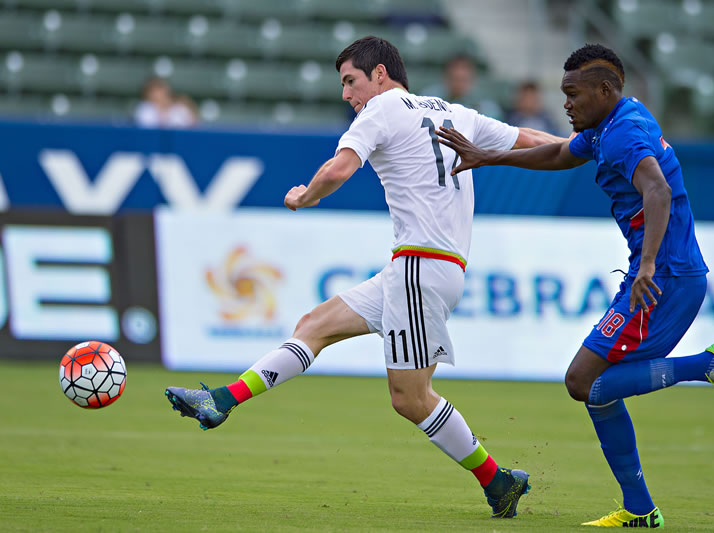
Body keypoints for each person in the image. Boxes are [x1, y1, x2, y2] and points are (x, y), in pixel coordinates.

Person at [165, 36, 564, 518]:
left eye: (350, 80)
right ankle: (221, 400)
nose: (346, 94)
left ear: (380, 74)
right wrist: (596, 147)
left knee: (410, 399)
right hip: (417, 268)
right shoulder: (457, 113)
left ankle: (497, 481)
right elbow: (534, 141)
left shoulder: (381, 109)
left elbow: (339, 169)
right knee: (315, 325)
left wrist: (303, 198)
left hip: (419, 268)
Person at [437, 43, 714, 529]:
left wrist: (647, 265)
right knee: (596, 389)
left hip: (662, 278)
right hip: (660, 274)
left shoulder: (623, 133)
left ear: (605, 89)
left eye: (573, 94)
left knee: (585, 382)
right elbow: (561, 154)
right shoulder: (611, 122)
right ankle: (641, 510)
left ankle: (709, 364)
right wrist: (489, 156)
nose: (565, 103)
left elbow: (657, 190)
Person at [423, 54, 504, 120]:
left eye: (463, 80)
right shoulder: (430, 98)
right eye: (454, 79)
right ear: (445, 78)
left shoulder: (486, 106)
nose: (458, 85)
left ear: (473, 79)